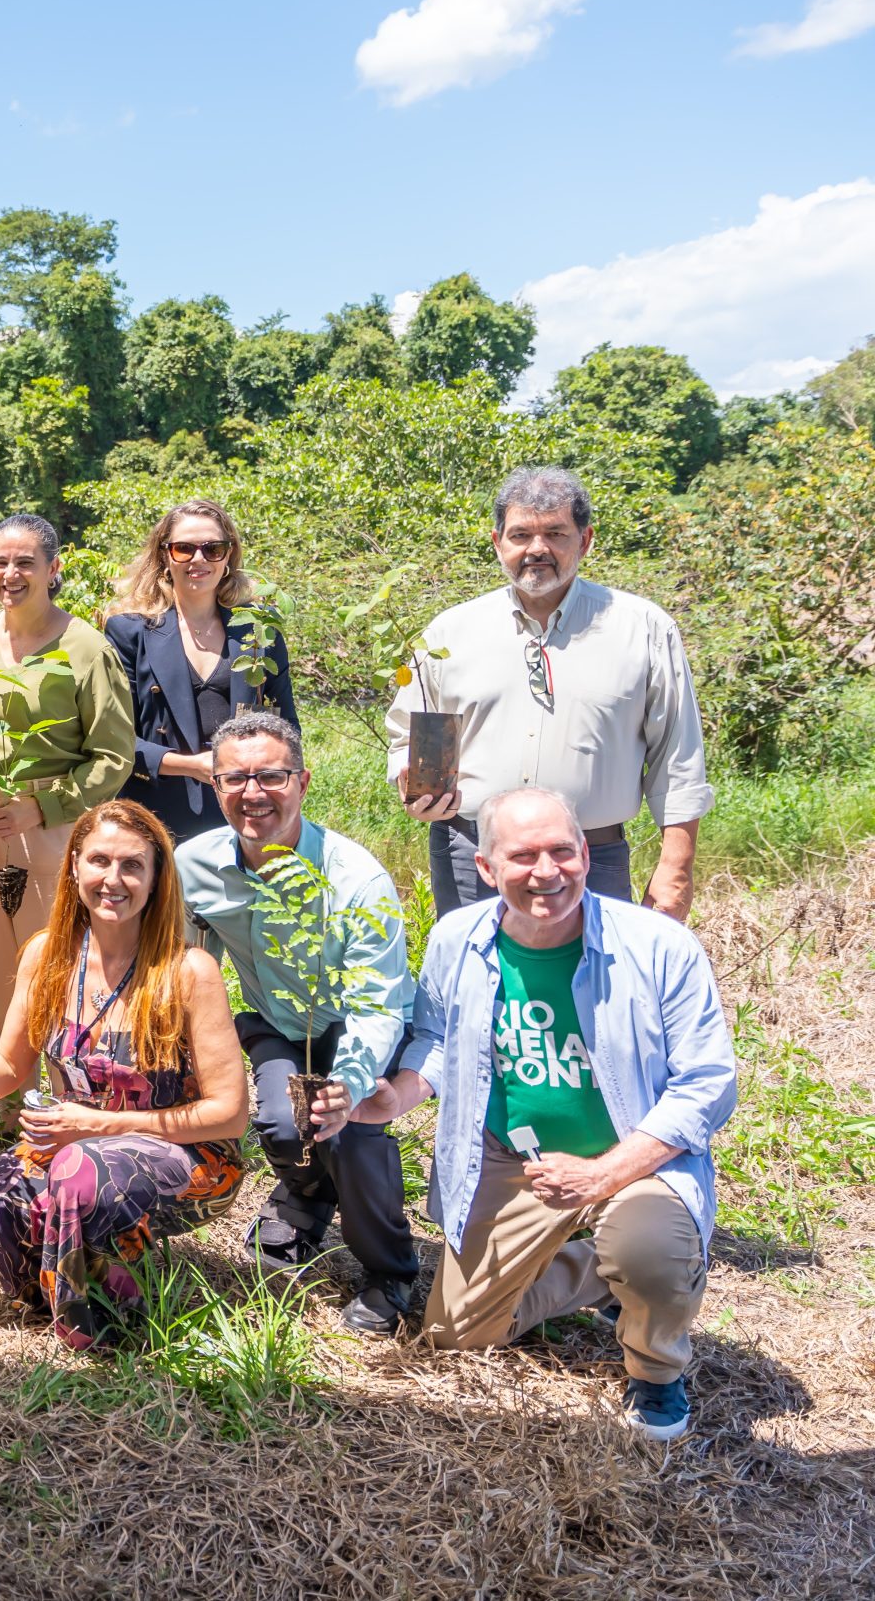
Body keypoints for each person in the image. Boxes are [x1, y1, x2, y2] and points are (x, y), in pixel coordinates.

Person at [344, 787, 736, 1440]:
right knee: (454, 1333)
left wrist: (603, 1175)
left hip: (633, 1152)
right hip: (513, 1154)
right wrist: (397, 1094)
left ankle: (655, 1367)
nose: (547, 870)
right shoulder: (456, 938)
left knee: (649, 1248)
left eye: (562, 850)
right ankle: (602, 1271)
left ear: (586, 853)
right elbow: (438, 1039)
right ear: (488, 869)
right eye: (523, 855)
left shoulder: (659, 946)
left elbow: (706, 1084)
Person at [0, 800, 247, 1348]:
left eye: (133, 865)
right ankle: (67, 1284)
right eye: (99, 861)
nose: (113, 879)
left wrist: (95, 1126)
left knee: (77, 1173)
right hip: (74, 1147)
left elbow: (228, 1115)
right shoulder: (47, 955)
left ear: (157, 878)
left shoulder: (189, 970)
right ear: (73, 867)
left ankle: (105, 1327)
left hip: (193, 1159)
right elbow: (8, 1067)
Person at [175, 712, 421, 1334]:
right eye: (235, 778)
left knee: (350, 1132)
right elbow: (174, 962)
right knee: (284, 1126)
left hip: (351, 1030)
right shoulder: (193, 866)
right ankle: (305, 1197)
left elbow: (380, 1003)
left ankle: (391, 1272)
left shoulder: (356, 879)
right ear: (216, 785)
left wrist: (353, 1084)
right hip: (276, 1024)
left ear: (304, 782)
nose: (252, 793)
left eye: (271, 776)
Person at [389, 466, 710, 922]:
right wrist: (409, 778)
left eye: (555, 533)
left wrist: (675, 869)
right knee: (475, 987)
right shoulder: (450, 631)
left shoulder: (642, 628)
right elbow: (406, 734)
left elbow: (678, 757)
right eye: (521, 535)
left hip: (590, 859)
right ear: (498, 542)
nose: (536, 549)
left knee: (595, 988)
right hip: (471, 856)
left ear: (586, 540)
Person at [0, 512, 134, 1153]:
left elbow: (113, 755)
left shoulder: (85, 647)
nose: (10, 574)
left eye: (25, 562)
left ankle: (66, 1114)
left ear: (53, 569)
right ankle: (8, 1109)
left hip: (50, 829)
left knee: (54, 967)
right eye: (0, 561)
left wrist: (43, 805)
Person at [103, 499, 298, 843]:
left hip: (246, 810)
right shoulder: (128, 632)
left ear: (228, 557)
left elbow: (287, 729)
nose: (198, 559)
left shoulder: (258, 630)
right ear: (165, 556)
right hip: (156, 813)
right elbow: (114, 739)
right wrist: (193, 765)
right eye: (184, 549)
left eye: (213, 549)